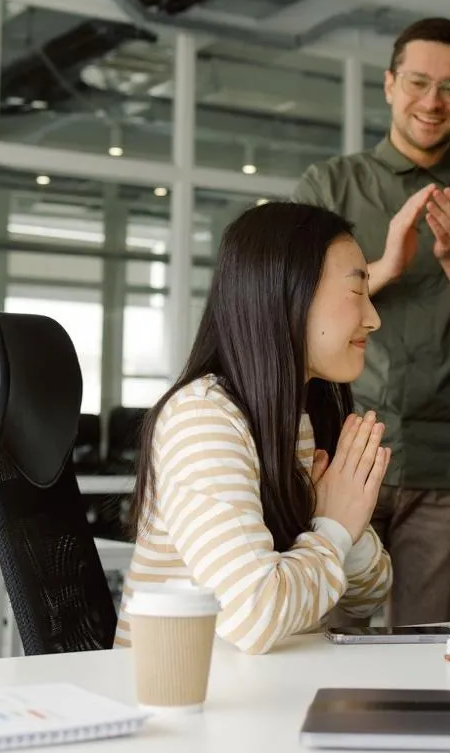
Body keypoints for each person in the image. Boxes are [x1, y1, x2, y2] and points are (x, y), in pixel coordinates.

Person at [294, 18, 450, 626]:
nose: (432, 102)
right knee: (323, 639)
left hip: (448, 465)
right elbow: (290, 307)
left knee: (425, 650)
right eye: (418, 82)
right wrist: (384, 267)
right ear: (389, 85)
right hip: (337, 450)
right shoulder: (331, 185)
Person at [117, 202, 393, 655]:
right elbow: (254, 615)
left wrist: (347, 525)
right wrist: (334, 527)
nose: (373, 317)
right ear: (288, 293)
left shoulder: (301, 414)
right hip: (190, 701)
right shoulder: (204, 419)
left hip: (273, 692)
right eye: (356, 291)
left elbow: (367, 595)